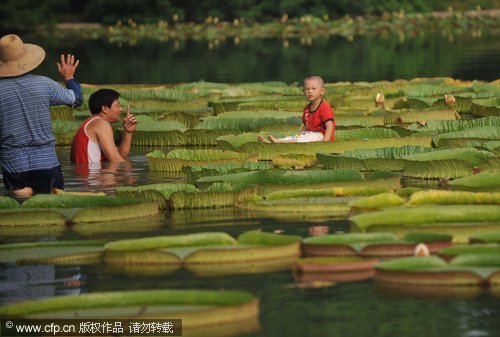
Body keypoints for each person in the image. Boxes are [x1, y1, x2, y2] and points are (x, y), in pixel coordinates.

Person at [0, 34, 83, 199]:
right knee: (53, 209)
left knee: (22, 213)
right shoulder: (44, 84)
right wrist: (69, 77)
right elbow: (77, 99)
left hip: (14, 164)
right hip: (47, 162)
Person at [258, 76, 335, 143]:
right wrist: (299, 135)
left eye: (313, 89)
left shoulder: (324, 106)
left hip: (320, 135)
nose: (310, 91)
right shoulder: (307, 108)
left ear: (322, 91)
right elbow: (305, 125)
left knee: (303, 139)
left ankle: (279, 142)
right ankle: (274, 142)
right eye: (307, 89)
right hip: (309, 134)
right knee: (294, 137)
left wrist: (325, 142)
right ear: (303, 92)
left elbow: (329, 126)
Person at [70, 88, 138, 163]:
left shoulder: (94, 122)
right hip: (91, 173)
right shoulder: (101, 124)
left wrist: (128, 133)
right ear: (105, 108)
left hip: (90, 172)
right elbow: (115, 160)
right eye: (118, 105)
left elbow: (119, 156)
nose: (121, 109)